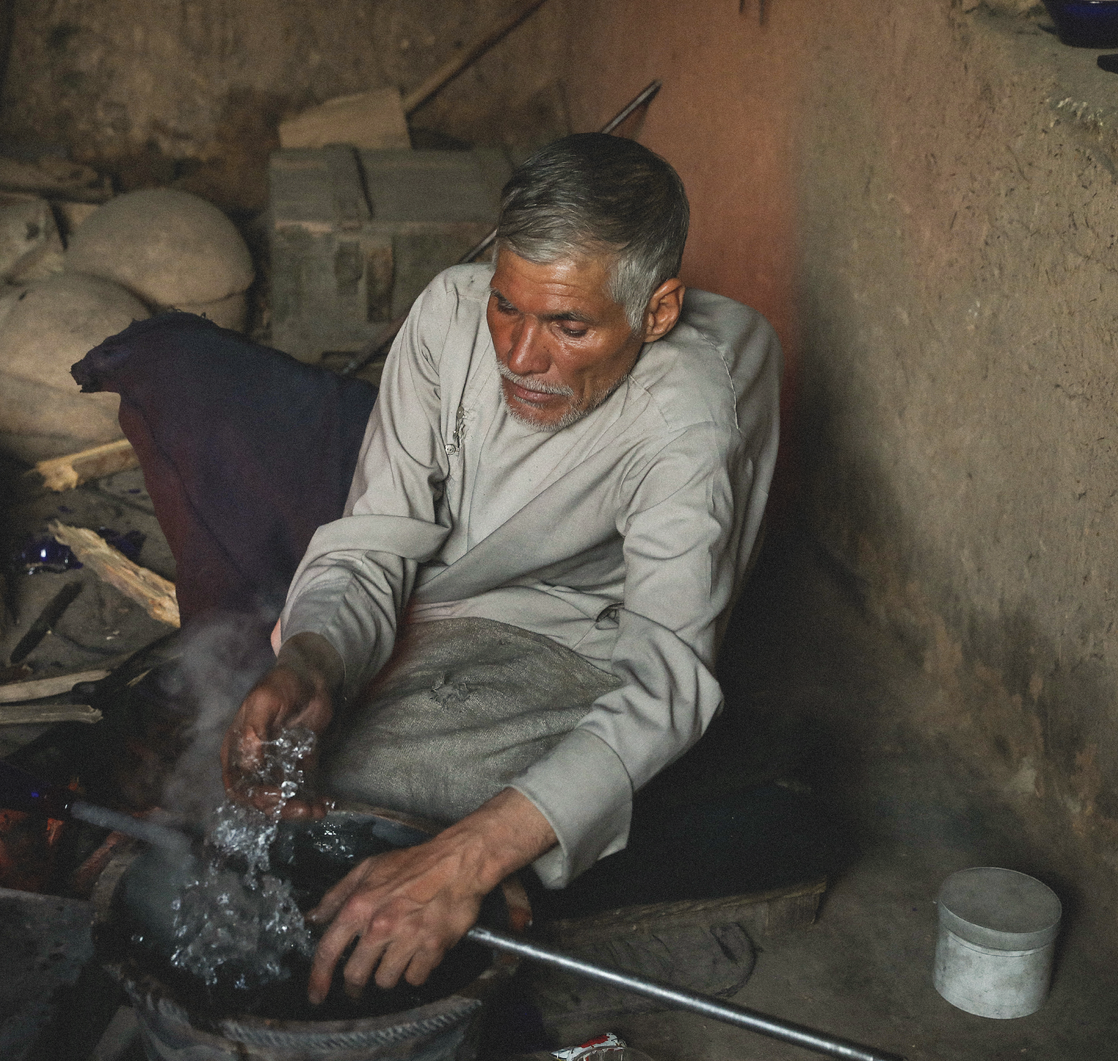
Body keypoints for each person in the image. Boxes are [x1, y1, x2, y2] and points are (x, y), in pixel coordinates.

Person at [208, 133, 784, 1006]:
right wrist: (314, 661)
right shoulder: (447, 316)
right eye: (509, 307)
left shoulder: (688, 416)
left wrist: (470, 853)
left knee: (376, 811)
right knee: (270, 760)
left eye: (569, 326)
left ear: (657, 313)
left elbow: (665, 681)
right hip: (442, 604)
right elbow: (372, 541)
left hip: (575, 633)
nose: (520, 355)